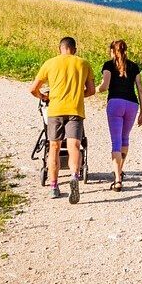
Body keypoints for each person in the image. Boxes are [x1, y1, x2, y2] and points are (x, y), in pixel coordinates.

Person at [28, 36, 95, 203]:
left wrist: (44, 97)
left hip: (55, 110)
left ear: (60, 49)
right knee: (74, 145)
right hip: (75, 110)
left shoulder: (50, 63)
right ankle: (74, 175)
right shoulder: (83, 63)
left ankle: (54, 186)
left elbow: (33, 89)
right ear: (75, 49)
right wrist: (79, 94)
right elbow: (92, 90)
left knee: (54, 146)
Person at [98, 39, 142, 192]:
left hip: (116, 103)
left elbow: (105, 86)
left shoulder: (108, 65)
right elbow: (140, 89)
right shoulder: (134, 66)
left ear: (112, 51)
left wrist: (93, 90)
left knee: (116, 142)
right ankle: (119, 170)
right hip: (132, 104)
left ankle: (117, 180)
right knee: (125, 139)